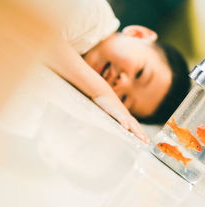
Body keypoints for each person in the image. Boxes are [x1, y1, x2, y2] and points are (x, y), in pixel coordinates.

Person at [40, 0, 190, 143]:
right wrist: (101, 91)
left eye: (123, 99)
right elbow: (33, 31)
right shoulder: (92, 14)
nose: (121, 83)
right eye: (139, 73)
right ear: (138, 34)